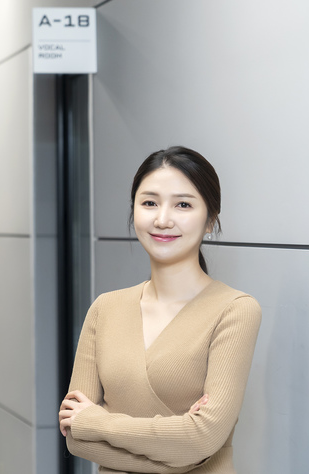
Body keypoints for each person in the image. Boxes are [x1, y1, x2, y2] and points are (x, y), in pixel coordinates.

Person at [58, 146, 261, 473]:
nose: (163, 219)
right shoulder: (105, 308)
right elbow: (76, 437)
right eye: (149, 202)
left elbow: (202, 437)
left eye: (183, 204)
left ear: (210, 220)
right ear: (134, 211)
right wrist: (184, 452)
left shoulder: (235, 311)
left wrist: (98, 422)